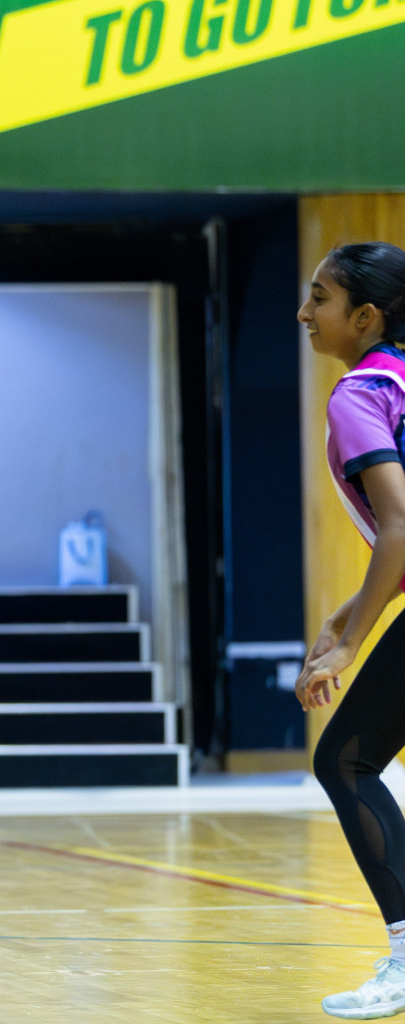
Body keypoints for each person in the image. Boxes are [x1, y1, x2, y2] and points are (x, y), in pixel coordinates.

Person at [296, 242, 405, 1020]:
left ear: (366, 316)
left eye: (320, 297)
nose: (304, 312)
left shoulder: (359, 395)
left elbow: (400, 526)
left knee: (347, 759)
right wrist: (351, 609)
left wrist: (349, 642)